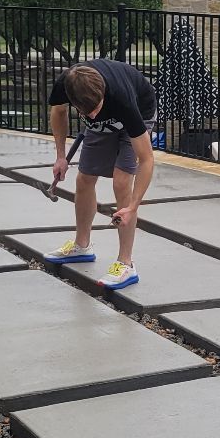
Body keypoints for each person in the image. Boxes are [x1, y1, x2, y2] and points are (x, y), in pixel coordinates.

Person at [46, 59, 157, 289]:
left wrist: (133, 206)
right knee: (84, 179)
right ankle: (82, 246)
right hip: (104, 123)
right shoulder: (64, 85)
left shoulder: (122, 98)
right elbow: (58, 112)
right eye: (89, 111)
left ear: (103, 93)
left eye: (97, 107)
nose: (95, 114)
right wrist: (61, 156)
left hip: (138, 112)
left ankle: (126, 263)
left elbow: (146, 159)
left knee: (122, 181)